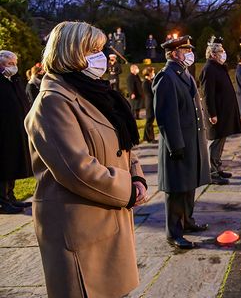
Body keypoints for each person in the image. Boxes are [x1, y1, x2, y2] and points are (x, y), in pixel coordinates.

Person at [24, 21, 148, 297]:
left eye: (101, 49)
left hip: (108, 216)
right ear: (70, 53)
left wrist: (137, 176)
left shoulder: (94, 93)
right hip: (80, 227)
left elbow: (123, 142)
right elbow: (76, 169)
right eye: (92, 50)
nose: (100, 57)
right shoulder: (52, 101)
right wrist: (128, 189)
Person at [153, 35, 211, 249]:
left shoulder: (184, 73)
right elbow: (166, 116)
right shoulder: (166, 77)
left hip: (191, 140)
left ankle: (188, 221)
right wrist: (175, 145)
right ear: (174, 53)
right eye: (186, 50)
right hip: (177, 144)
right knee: (176, 189)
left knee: (188, 185)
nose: (189, 53)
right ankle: (173, 232)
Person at [200, 37, 241, 185]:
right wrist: (212, 114)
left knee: (221, 140)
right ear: (212, 54)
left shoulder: (218, 67)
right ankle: (212, 172)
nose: (223, 53)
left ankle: (217, 167)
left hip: (224, 113)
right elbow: (207, 94)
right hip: (216, 114)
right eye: (220, 51)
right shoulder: (209, 69)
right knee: (215, 142)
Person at [0, 50, 32, 214]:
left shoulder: (13, 81)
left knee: (12, 164)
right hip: (4, 132)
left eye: (14, 63)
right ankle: (2, 202)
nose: (13, 67)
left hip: (15, 130)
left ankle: (10, 197)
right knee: (4, 166)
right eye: (9, 64)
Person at [142, 66, 156, 143]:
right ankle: (149, 138)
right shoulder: (146, 82)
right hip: (149, 102)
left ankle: (147, 137)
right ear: (149, 73)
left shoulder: (150, 81)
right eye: (152, 72)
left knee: (150, 120)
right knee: (149, 120)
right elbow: (149, 93)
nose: (153, 73)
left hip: (151, 102)